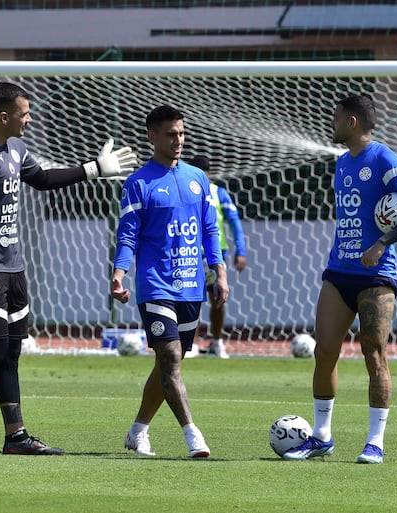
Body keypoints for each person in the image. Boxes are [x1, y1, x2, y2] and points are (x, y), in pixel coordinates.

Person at [0, 82, 137, 455]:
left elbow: (43, 180)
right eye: (24, 113)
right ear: (4, 116)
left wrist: (93, 169)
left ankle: (16, 436)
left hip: (14, 267)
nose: (29, 119)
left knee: (11, 352)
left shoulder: (16, 147)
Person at [283, 95, 397, 464]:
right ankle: (321, 437)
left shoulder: (383, 158)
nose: (330, 125)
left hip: (376, 277)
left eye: (335, 118)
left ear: (351, 122)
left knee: (374, 355)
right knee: (324, 352)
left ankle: (375, 442)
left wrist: (381, 243)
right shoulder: (342, 165)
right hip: (339, 272)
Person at [110, 105, 229, 458]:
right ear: (152, 136)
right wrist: (119, 273)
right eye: (170, 134)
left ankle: (137, 432)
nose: (178, 140)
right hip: (155, 284)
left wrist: (218, 271)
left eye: (181, 133)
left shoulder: (198, 178)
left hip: (191, 285)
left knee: (169, 363)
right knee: (171, 356)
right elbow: (128, 234)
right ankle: (193, 436)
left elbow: (210, 229)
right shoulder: (138, 183)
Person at [188, 155, 247, 359]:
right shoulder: (185, 191)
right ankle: (191, 344)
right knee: (191, 300)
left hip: (215, 255)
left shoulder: (219, 193)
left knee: (217, 299)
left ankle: (216, 341)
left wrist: (241, 250)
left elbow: (234, 221)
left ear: (208, 174)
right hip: (191, 254)